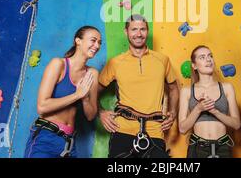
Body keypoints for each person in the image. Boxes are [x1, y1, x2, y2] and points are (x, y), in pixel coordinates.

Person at [98, 14, 180, 158]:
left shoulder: (162, 60)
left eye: (142, 29)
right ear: (126, 32)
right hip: (122, 130)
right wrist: (100, 112)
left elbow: (173, 89)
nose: (138, 34)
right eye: (134, 29)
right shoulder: (115, 62)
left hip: (155, 132)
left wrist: (172, 113)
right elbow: (92, 92)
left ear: (147, 32)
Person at [24, 26, 101, 158]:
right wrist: (77, 94)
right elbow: (42, 107)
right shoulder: (58, 64)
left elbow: (90, 115)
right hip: (45, 139)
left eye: (99, 42)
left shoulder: (92, 74)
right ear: (78, 41)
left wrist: (85, 98)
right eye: (93, 40)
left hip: (69, 143)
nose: (97, 45)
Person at [179, 46, 241, 158]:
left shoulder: (227, 88)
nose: (208, 60)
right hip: (197, 148)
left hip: (222, 148)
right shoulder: (186, 91)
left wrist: (215, 111)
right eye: (202, 57)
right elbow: (182, 128)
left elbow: (236, 124)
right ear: (194, 66)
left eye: (210, 56)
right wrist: (198, 109)